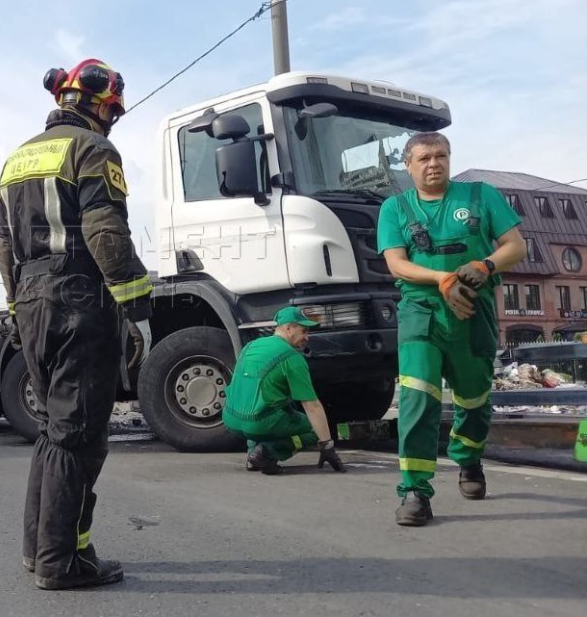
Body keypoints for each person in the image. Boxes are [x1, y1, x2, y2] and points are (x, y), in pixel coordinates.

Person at [0, 58, 153, 590]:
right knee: (79, 435)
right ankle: (60, 562)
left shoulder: (17, 159)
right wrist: (138, 308)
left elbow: (4, 248)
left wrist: (19, 309)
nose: (113, 121)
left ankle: (38, 551)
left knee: (53, 431)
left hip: (35, 298)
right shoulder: (93, 149)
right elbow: (106, 233)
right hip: (79, 299)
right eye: (113, 112)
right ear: (101, 107)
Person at [377, 131, 525, 526]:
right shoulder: (394, 208)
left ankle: (469, 459)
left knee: (474, 400)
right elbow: (397, 263)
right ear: (408, 165)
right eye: (424, 158)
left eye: (440, 155)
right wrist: (442, 278)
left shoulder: (479, 195)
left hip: (473, 314)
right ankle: (414, 491)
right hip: (421, 313)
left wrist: (484, 266)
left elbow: (515, 246)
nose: (433, 164)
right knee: (417, 398)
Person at [222, 307, 346, 475]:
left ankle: (253, 456)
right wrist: (327, 446)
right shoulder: (292, 358)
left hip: (231, 419)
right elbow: (312, 406)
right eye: (304, 331)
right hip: (259, 423)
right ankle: (267, 452)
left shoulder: (251, 346)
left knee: (275, 405)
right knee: (314, 429)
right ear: (288, 328)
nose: (307, 337)